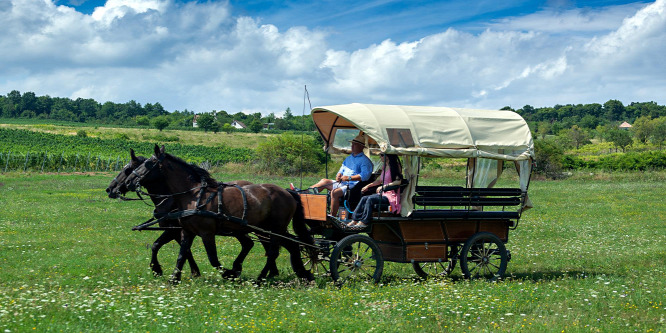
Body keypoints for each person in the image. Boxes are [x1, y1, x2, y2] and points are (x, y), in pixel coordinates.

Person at [310, 133, 374, 216]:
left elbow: (365, 176)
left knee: (334, 192)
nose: (352, 146)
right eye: (352, 144)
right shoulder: (349, 158)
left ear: (361, 147)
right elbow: (341, 169)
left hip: (352, 187)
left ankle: (332, 216)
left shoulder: (365, 161)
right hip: (342, 183)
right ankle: (306, 193)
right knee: (324, 181)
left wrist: (349, 178)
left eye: (355, 144)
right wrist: (339, 175)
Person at [347, 153, 403, 228]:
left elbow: (398, 181)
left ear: (388, 156)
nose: (380, 156)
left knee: (370, 199)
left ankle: (364, 221)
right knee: (364, 198)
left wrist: (384, 186)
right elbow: (379, 181)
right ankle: (355, 219)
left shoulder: (395, 167)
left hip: (390, 196)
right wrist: (367, 186)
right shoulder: (384, 167)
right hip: (383, 194)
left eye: (382, 155)